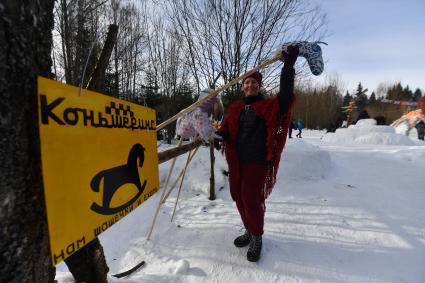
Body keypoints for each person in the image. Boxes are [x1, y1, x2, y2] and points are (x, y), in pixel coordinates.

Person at [214, 45, 299, 262]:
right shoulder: (235, 108)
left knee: (251, 199)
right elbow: (226, 129)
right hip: (237, 161)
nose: (250, 85)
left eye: (253, 82)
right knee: (237, 197)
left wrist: (287, 68)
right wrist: (219, 136)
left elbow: (286, 98)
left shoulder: (269, 106)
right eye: (246, 83)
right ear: (243, 88)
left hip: (257, 162)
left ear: (259, 86)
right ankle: (249, 230)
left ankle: (258, 236)